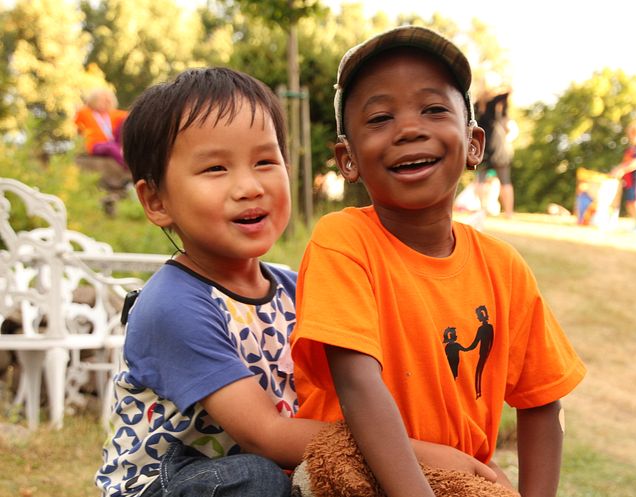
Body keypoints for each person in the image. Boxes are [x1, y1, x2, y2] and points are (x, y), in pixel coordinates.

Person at [95, 67, 495, 497]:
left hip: (266, 472)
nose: (249, 187)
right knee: (257, 476)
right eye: (215, 168)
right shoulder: (173, 305)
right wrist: (427, 454)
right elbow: (265, 434)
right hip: (169, 483)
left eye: (265, 161)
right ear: (156, 200)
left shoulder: (294, 286)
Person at [290, 26, 586, 497]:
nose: (409, 129)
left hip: (460, 484)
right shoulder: (343, 241)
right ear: (348, 161)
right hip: (355, 481)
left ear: (473, 144)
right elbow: (357, 383)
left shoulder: (502, 267)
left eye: (433, 109)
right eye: (380, 117)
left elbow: (544, 400)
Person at [476, 86, 518, 218]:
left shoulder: (476, 107)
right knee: (505, 181)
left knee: (480, 180)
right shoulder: (494, 104)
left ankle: (482, 209)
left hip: (482, 146)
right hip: (498, 147)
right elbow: (508, 92)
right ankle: (509, 213)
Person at [611, 120, 636, 235]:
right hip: (629, 182)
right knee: (630, 203)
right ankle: (635, 224)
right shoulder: (630, 149)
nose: (634, 138)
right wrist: (617, 169)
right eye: (632, 135)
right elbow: (625, 162)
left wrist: (622, 170)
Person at [74, 88, 129, 169]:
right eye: (102, 100)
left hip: (113, 142)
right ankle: (128, 166)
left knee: (125, 122)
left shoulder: (115, 114)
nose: (105, 102)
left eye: (107, 100)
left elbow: (130, 116)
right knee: (111, 148)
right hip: (95, 144)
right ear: (94, 100)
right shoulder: (85, 112)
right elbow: (77, 125)